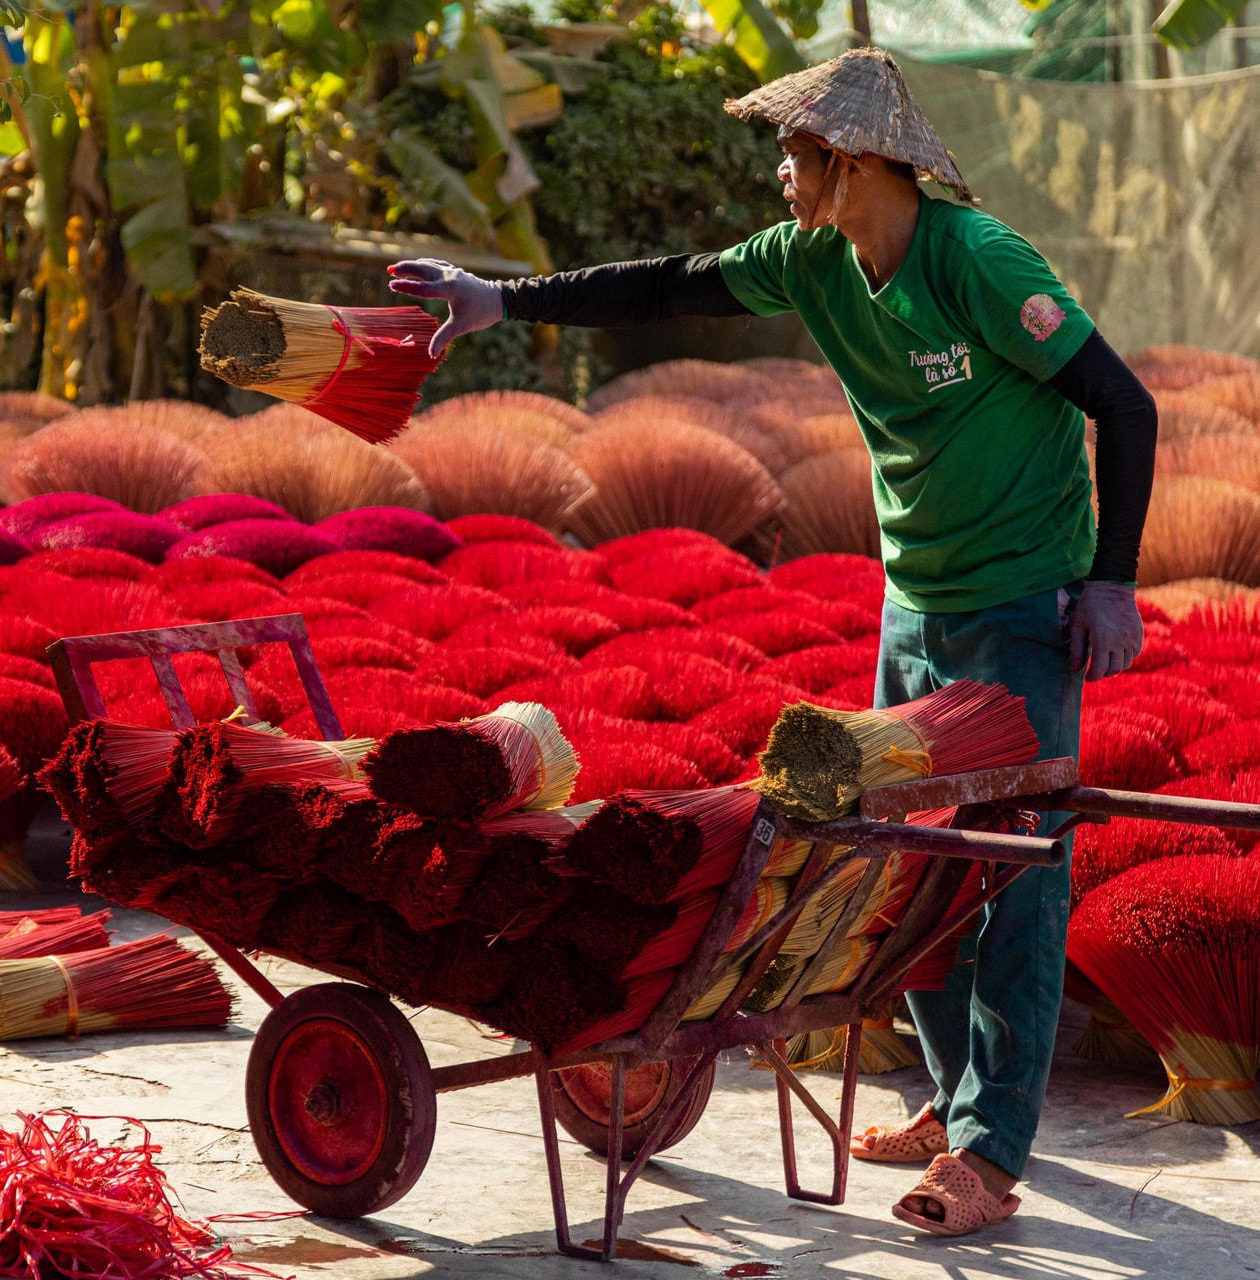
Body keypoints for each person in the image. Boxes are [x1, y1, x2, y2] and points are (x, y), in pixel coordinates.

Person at [388, 48, 1157, 1239]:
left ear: (851, 162)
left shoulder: (980, 262)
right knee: (915, 857)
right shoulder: (809, 258)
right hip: (918, 597)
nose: (777, 172)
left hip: (1023, 602)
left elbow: (1124, 402)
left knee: (1014, 866)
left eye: (792, 152)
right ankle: (949, 1105)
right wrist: (504, 299)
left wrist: (1111, 582)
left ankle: (992, 1149)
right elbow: (666, 284)